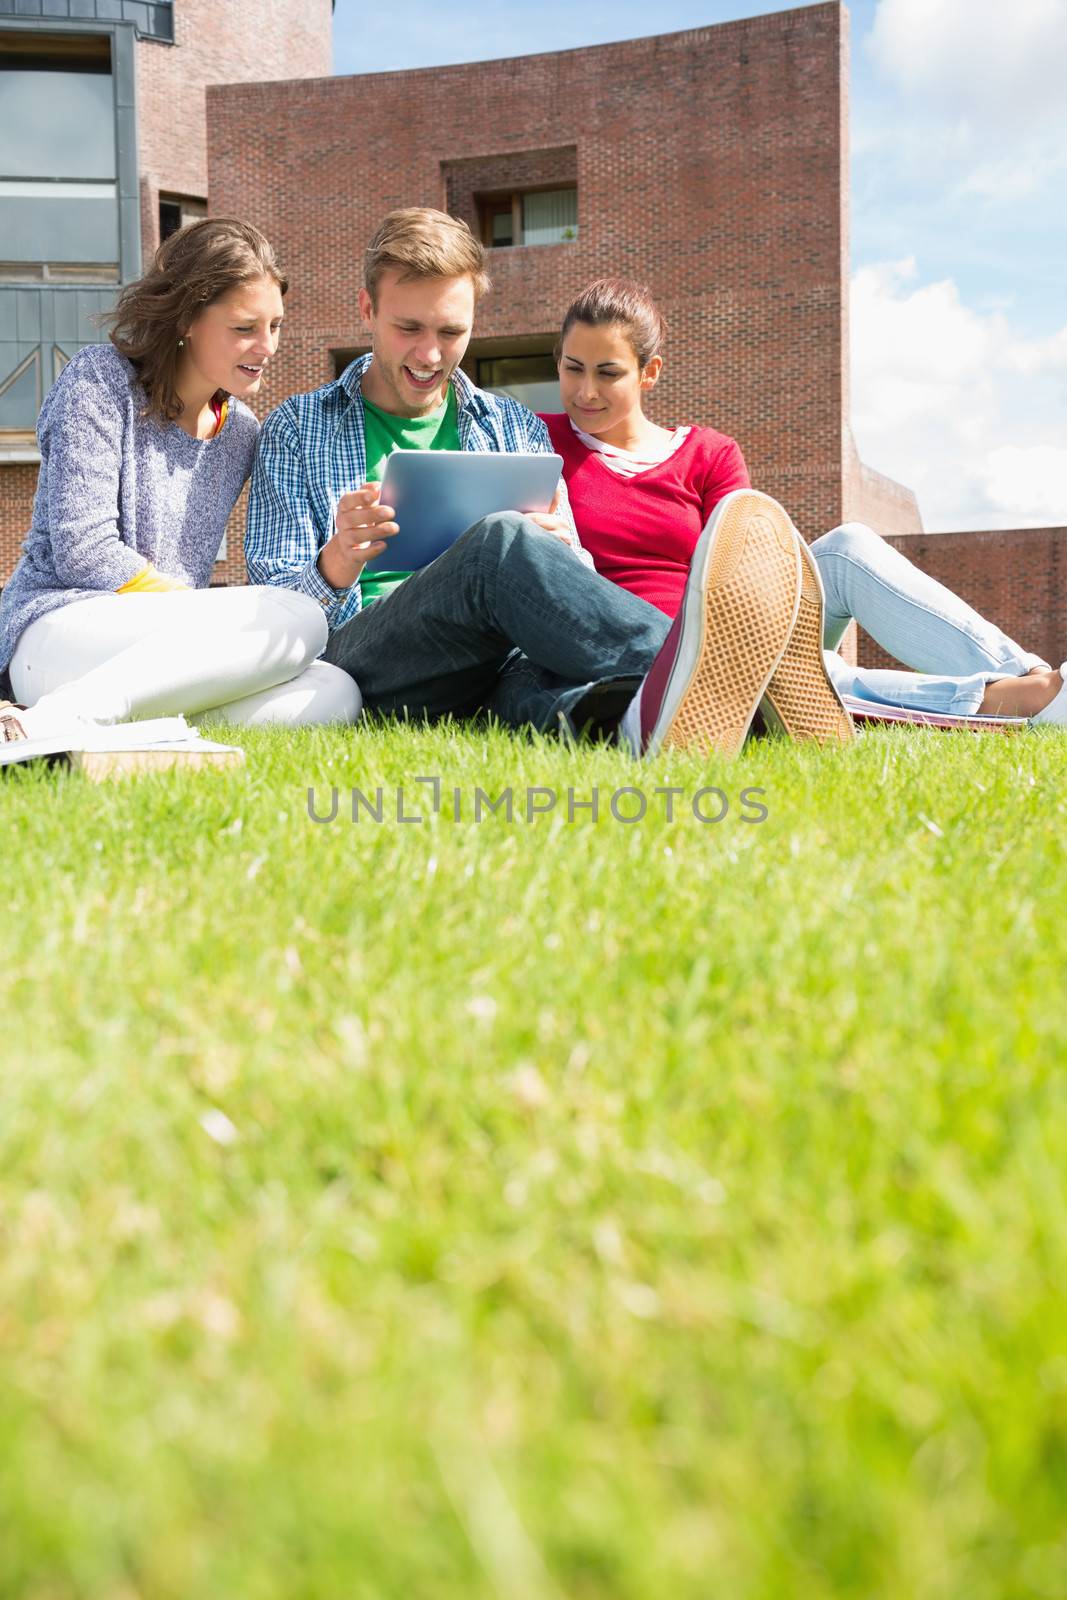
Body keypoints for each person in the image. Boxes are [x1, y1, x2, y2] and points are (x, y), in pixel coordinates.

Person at [244, 207, 844, 758]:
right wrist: (338, 561)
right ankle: (724, 670)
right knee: (497, 545)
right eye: (409, 328)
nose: (430, 354)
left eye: (451, 333)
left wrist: (561, 549)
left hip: (495, 665)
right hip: (370, 662)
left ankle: (661, 717)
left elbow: (572, 582)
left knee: (554, 699)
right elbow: (271, 617)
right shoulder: (296, 430)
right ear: (368, 311)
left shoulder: (511, 425)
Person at [540, 278, 1067, 729]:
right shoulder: (537, 440)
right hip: (640, 645)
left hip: (731, 621)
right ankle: (1001, 701)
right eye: (572, 369)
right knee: (791, 667)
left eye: (607, 372)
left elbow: (745, 568)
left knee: (847, 546)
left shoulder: (708, 452)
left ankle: (1034, 681)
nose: (586, 390)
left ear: (648, 373)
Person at [0, 218, 360, 748]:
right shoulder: (99, 379)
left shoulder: (240, 432)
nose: (267, 347)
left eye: (276, 326)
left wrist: (200, 628)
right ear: (187, 319)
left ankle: (107, 725)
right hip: (55, 628)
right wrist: (199, 617)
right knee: (299, 618)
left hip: (159, 648)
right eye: (245, 328)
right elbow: (84, 550)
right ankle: (44, 723)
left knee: (334, 691)